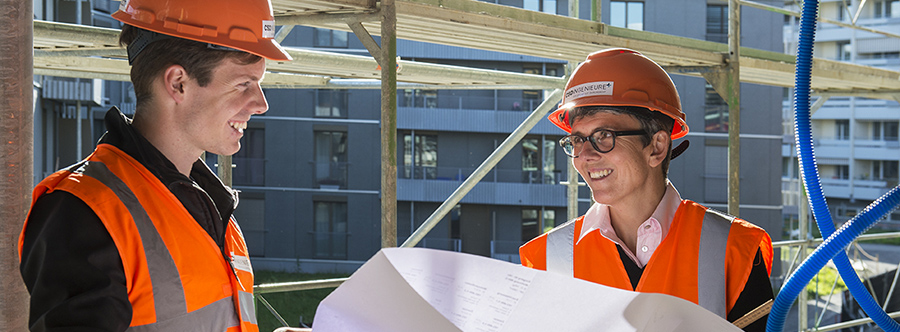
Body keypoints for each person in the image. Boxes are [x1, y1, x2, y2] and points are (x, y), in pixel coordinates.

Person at [17, 0, 291, 331]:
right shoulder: (83, 213)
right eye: (243, 84)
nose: (261, 104)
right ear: (178, 83)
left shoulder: (209, 204)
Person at [519, 48, 773, 331]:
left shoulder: (734, 249)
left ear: (657, 146)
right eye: (577, 140)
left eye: (604, 136)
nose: (585, 156)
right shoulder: (548, 258)